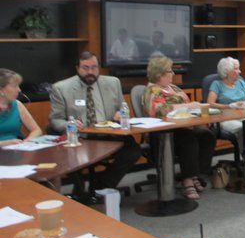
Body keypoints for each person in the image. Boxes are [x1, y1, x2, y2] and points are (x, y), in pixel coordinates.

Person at [49, 51, 141, 190]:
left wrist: (119, 114)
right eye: (85, 68)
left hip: (109, 134)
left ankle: (101, 186)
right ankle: (80, 191)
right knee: (70, 157)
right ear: (77, 68)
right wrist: (69, 124)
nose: (90, 72)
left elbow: (122, 108)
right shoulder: (61, 88)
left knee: (132, 151)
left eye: (94, 67)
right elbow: (55, 120)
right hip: (81, 137)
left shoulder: (112, 83)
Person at [143, 56, 215, 199]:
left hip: (184, 126)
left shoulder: (174, 88)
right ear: (160, 74)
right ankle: (187, 181)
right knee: (189, 139)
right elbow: (159, 110)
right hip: (162, 133)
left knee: (206, 135)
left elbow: (189, 107)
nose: (173, 74)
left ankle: (196, 174)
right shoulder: (152, 90)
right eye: (170, 71)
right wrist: (187, 106)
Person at [0, 69, 42, 147]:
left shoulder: (17, 104)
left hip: (16, 149)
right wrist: (4, 143)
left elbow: (36, 130)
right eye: (15, 86)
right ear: (1, 90)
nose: (19, 90)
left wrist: (27, 140)